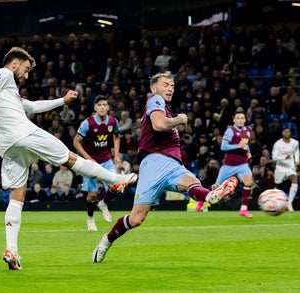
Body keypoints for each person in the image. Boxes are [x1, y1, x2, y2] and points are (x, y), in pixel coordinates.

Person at [0, 47, 137, 270]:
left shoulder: (8, 93)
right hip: (24, 134)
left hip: (8, 146)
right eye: (26, 70)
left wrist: (61, 100)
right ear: (15, 64)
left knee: (17, 195)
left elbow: (33, 106)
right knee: (70, 158)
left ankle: (12, 251)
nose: (27, 75)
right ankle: (115, 179)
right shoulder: (4, 74)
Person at [91, 72, 237, 263]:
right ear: (154, 89)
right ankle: (106, 241)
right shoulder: (155, 100)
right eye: (166, 84)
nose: (170, 88)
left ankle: (210, 195)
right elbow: (159, 125)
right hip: (153, 163)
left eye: (172, 86)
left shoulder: (164, 108)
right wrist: (180, 119)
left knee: (193, 182)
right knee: (135, 219)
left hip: (172, 165)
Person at [73, 95, 122, 231]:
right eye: (99, 105)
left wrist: (116, 154)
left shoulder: (113, 122)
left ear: (108, 107)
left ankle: (104, 203)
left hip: (106, 160)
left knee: (115, 186)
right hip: (90, 163)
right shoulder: (87, 123)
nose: (102, 107)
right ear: (95, 108)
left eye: (104, 105)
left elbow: (117, 136)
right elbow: (76, 142)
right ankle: (90, 217)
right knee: (92, 194)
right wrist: (87, 158)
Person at [214, 110, 255, 218]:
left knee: (248, 182)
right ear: (234, 120)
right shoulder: (230, 131)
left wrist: (248, 152)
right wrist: (238, 146)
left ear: (245, 120)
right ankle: (201, 200)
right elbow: (223, 146)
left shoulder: (247, 130)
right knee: (217, 187)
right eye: (238, 118)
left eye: (242, 118)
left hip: (243, 164)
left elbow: (245, 144)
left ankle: (243, 209)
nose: (240, 120)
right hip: (229, 165)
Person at [272, 127, 299, 212]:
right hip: (280, 168)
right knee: (278, 187)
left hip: (290, 167)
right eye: (285, 132)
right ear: (282, 133)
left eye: (289, 131)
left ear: (290, 133)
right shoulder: (278, 144)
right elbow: (274, 157)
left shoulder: (295, 142)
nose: (287, 133)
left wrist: (297, 160)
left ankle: (289, 203)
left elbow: (297, 151)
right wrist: (284, 157)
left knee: (295, 181)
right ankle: (274, 204)